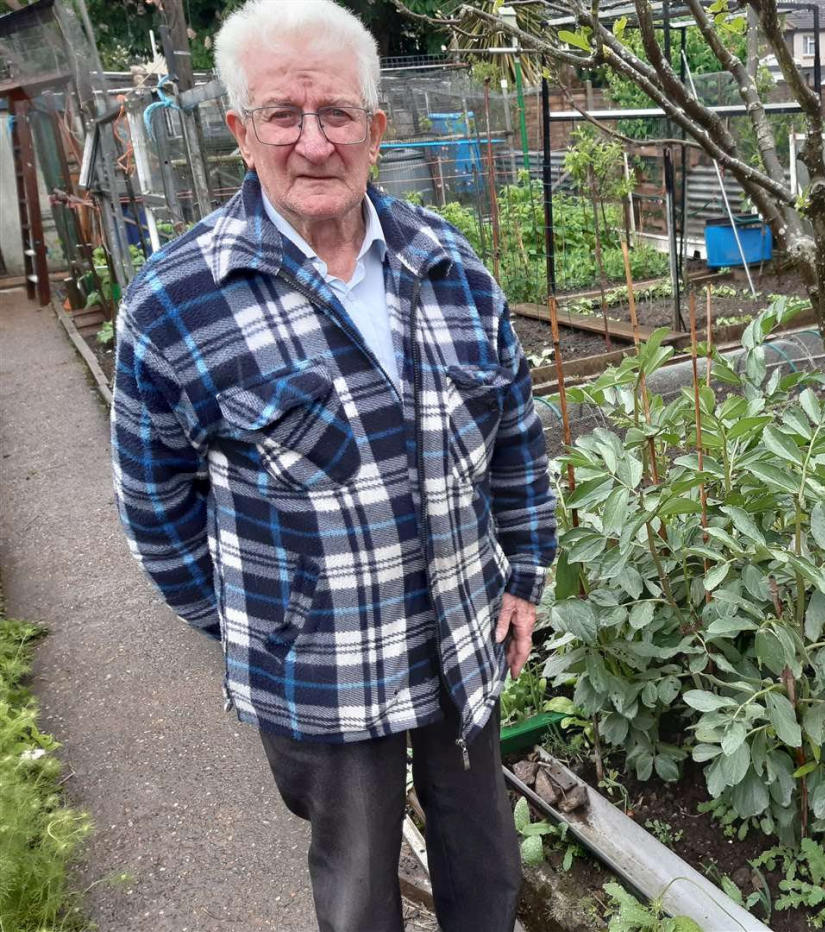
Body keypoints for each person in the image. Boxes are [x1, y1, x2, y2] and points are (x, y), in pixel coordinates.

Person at [109, 1, 557, 929]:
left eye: (337, 115)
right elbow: (158, 509)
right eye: (283, 115)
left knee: (487, 865)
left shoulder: (450, 265)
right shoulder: (176, 304)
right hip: (321, 668)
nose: (313, 143)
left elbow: (514, 430)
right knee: (357, 890)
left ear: (375, 129)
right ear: (240, 132)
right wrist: (261, 625)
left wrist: (524, 574)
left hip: (460, 640)